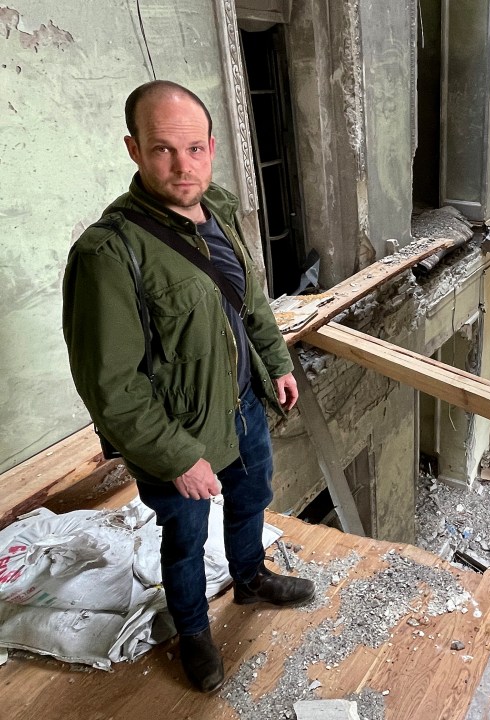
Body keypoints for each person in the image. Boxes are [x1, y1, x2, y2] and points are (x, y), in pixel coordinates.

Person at [62, 80, 315, 693]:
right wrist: (177, 457)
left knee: (253, 501)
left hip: (242, 406)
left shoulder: (220, 208)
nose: (183, 167)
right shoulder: (110, 252)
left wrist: (276, 361)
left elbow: (248, 298)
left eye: (195, 149)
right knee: (184, 537)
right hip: (180, 436)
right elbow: (112, 386)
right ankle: (194, 629)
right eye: (162, 151)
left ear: (212, 146)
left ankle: (250, 579)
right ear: (134, 150)